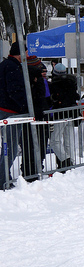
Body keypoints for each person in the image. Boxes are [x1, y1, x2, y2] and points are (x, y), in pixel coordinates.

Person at [0, 42, 28, 189]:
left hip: (5, 109)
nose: (27, 55)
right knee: (10, 148)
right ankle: (2, 179)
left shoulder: (5, 65)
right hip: (10, 112)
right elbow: (14, 90)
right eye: (26, 52)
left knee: (7, 147)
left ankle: (4, 176)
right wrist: (24, 106)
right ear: (21, 53)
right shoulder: (13, 67)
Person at [49, 63, 79, 170]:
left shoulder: (54, 84)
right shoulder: (72, 82)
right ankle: (71, 162)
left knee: (55, 141)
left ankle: (66, 161)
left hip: (60, 114)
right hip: (71, 113)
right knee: (69, 141)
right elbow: (75, 96)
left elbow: (55, 99)